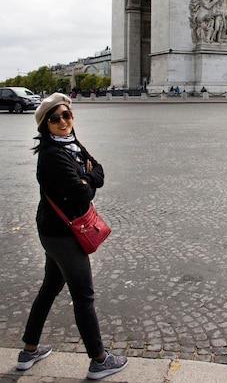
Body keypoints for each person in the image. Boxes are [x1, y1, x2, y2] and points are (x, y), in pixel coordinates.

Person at [16, 93, 127, 380]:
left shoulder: (73, 145)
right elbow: (81, 192)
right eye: (55, 118)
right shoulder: (52, 156)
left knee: (50, 288)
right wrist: (87, 181)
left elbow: (98, 171)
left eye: (67, 115)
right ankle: (99, 359)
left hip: (57, 230)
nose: (63, 121)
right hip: (62, 234)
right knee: (83, 295)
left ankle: (29, 350)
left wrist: (87, 177)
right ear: (45, 126)